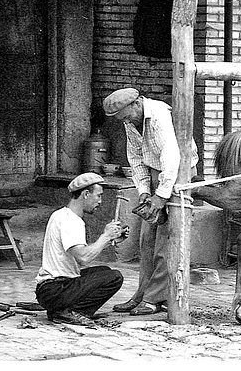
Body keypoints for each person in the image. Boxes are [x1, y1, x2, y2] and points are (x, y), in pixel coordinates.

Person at [103, 87, 199, 316]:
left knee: (166, 242)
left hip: (179, 172)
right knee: (147, 240)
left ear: (136, 104)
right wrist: (145, 191)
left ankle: (154, 299)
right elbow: (135, 157)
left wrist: (161, 195)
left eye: (127, 116)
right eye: (121, 120)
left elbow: (171, 157)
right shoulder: (130, 122)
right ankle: (143, 294)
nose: (126, 122)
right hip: (156, 173)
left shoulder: (158, 115)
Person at [35, 173, 127, 326]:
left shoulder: (61, 215)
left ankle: (64, 310)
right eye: (98, 196)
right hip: (55, 290)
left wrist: (110, 239)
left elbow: (82, 255)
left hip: (52, 289)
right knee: (114, 277)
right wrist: (105, 236)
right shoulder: (70, 220)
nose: (100, 201)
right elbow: (83, 258)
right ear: (85, 194)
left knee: (104, 271)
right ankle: (69, 312)